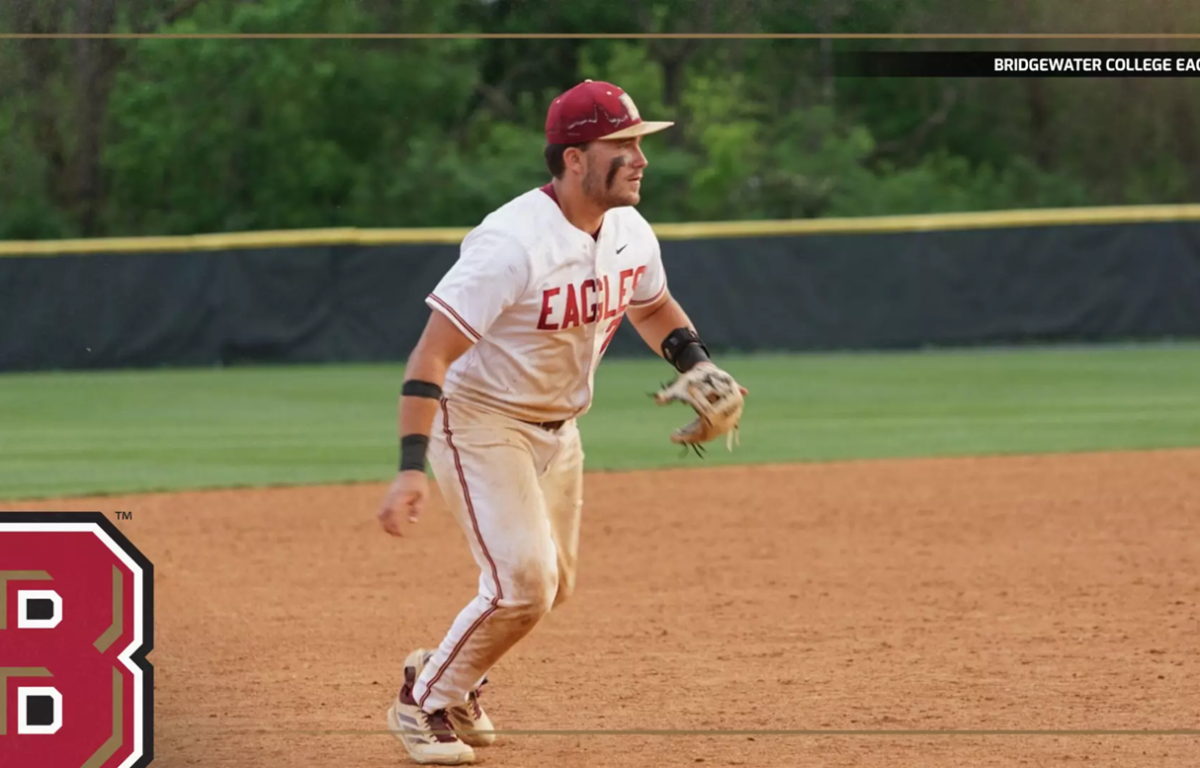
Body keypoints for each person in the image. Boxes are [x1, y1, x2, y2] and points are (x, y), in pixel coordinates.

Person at [376, 79, 745, 766]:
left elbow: (652, 306)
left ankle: (450, 676)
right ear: (574, 157)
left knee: (551, 587)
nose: (640, 157)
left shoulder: (629, 231)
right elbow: (431, 351)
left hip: (561, 429)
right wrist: (408, 467)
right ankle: (420, 702)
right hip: (483, 420)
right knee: (524, 582)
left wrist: (697, 363)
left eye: (641, 143)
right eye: (624, 144)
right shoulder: (511, 244)